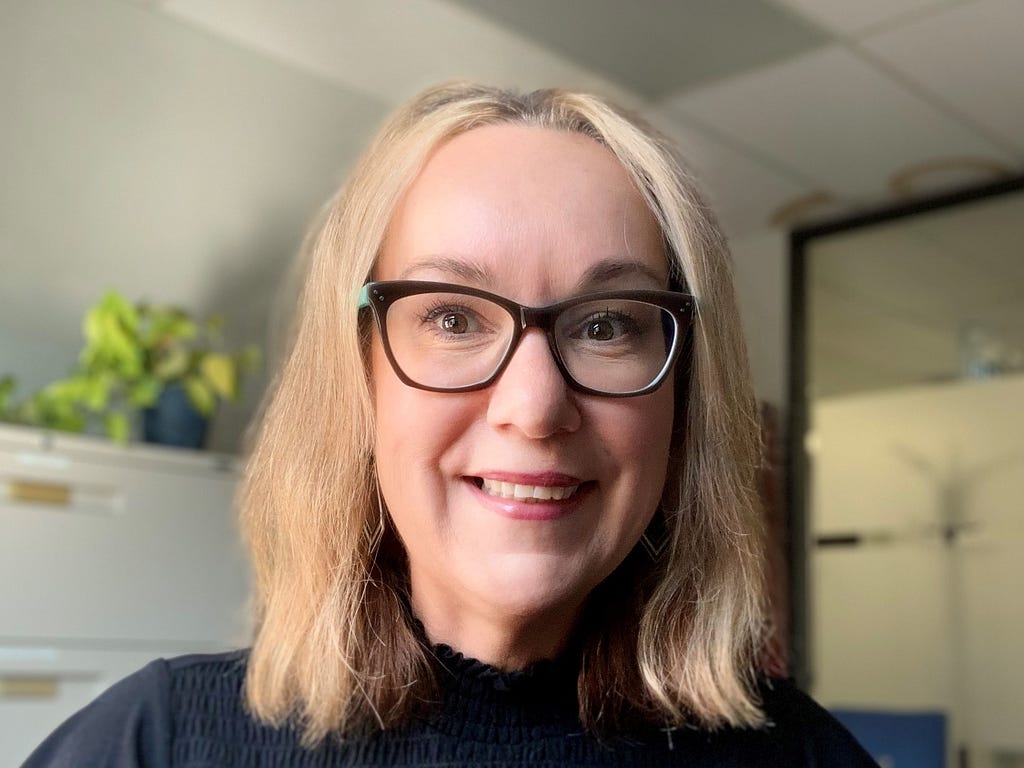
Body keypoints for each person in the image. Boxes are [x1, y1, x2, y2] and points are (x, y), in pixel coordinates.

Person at [24, 82, 877, 767]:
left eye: (606, 324)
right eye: (453, 317)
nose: (534, 407)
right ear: (356, 379)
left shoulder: (803, 756)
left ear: (684, 400)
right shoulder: (155, 742)